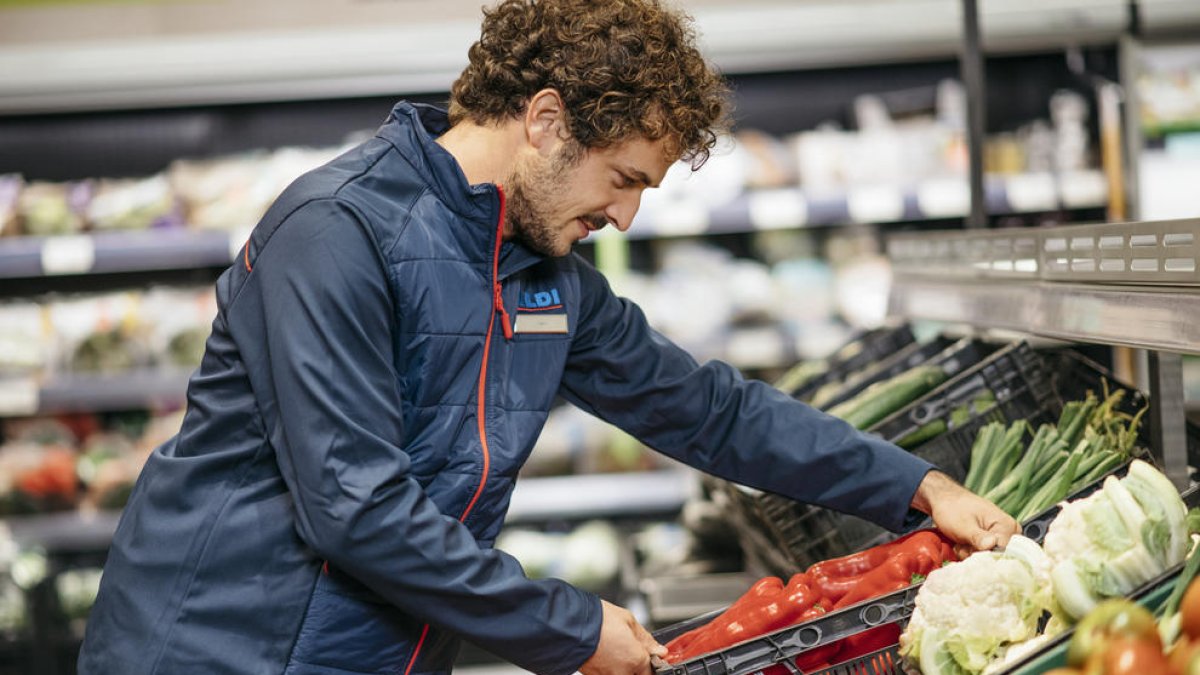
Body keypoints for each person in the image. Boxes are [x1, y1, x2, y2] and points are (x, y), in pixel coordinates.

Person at [78, 1, 1019, 674]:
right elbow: (355, 505)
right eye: (624, 178)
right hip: (211, 647)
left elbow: (708, 411)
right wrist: (569, 628)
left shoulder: (544, 273)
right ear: (545, 121)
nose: (626, 215)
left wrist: (918, 486)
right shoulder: (337, 231)